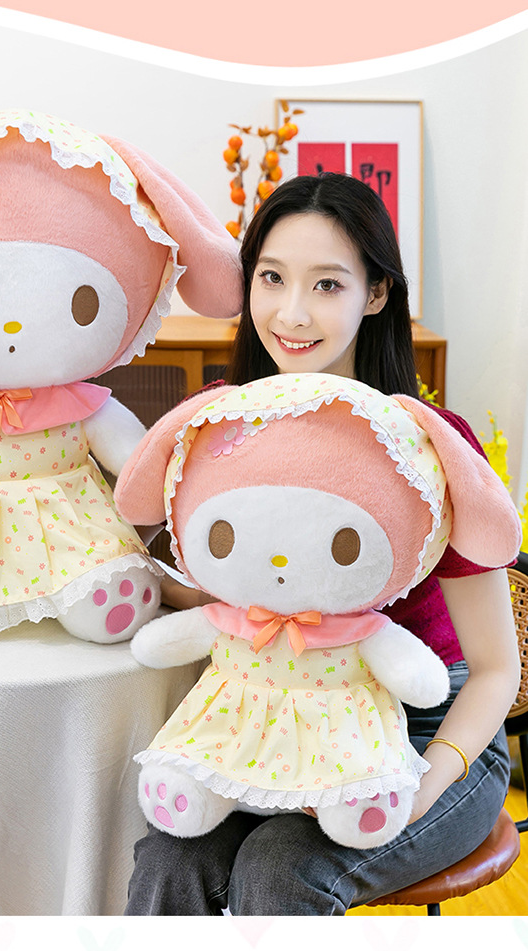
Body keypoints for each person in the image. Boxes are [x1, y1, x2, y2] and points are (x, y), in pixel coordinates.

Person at [124, 173, 520, 915]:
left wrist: (422, 785)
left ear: (376, 293)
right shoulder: (219, 426)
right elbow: (228, 596)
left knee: (281, 867)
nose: (292, 313)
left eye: (328, 284)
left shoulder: (427, 447)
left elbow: (497, 670)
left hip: (429, 730)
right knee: (172, 856)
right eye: (271, 278)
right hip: (273, 717)